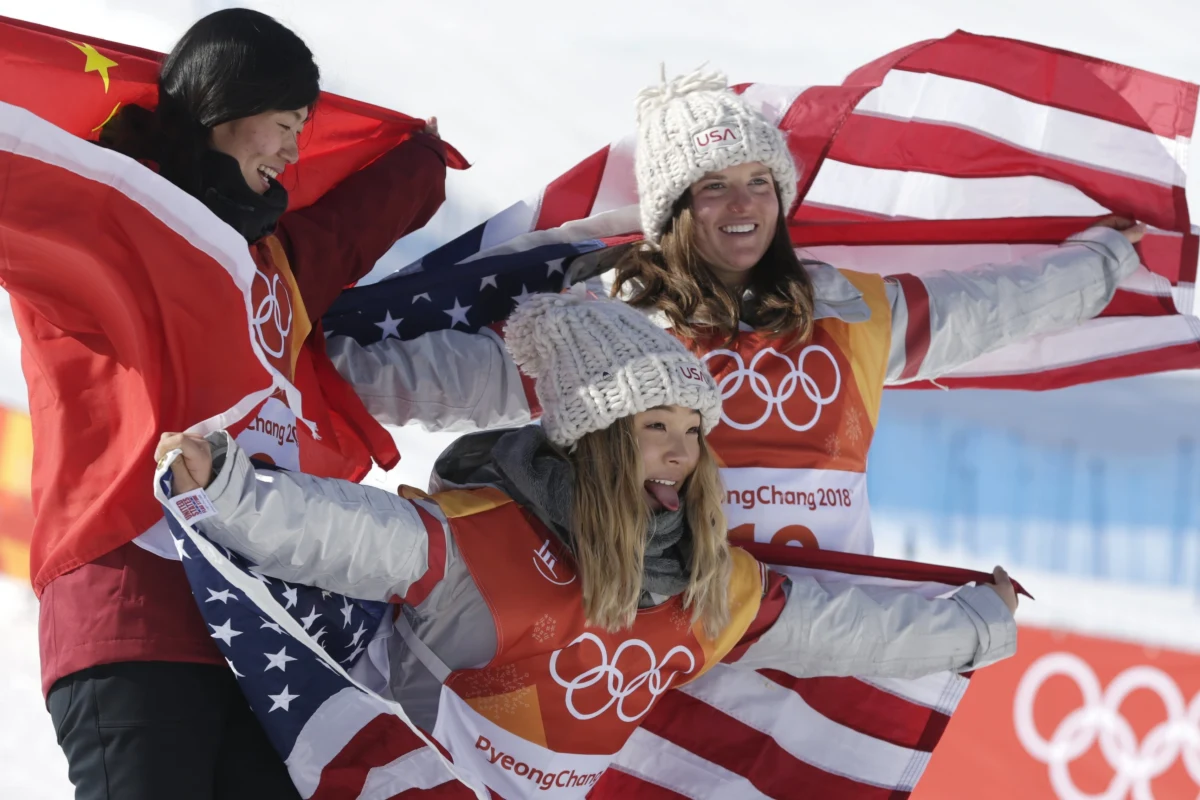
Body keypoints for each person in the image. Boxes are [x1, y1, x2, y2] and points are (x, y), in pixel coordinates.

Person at [157, 292, 1019, 800]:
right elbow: (342, 534)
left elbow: (844, 631)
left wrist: (976, 626)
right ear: (593, 436)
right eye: (654, 427)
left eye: (693, 429)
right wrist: (230, 487)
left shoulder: (705, 589)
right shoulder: (483, 543)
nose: (683, 450)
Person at [327, 67, 1146, 557]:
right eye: (713, 187)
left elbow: (990, 311)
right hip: (656, 649)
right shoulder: (607, 318)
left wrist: (1106, 262)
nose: (742, 205)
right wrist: (297, 366)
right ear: (670, 211)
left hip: (815, 638)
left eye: (761, 182)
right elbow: (442, 378)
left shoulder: (848, 309)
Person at [4, 9, 448, 799]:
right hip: (134, 607)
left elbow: (347, 233)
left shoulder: (269, 262)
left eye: (303, 130)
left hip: (263, 621)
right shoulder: (113, 217)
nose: (292, 150)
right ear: (223, 109)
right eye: (283, 124)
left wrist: (421, 163)